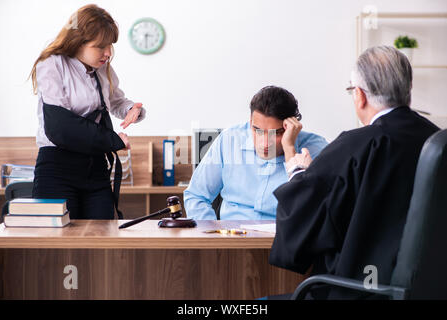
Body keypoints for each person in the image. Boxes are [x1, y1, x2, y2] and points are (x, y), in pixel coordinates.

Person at [269, 46, 439, 299]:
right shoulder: (438, 141)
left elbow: (305, 218)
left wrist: (297, 170)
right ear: (407, 90)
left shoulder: (355, 145)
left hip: (361, 291)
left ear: (359, 95)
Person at [29, 4, 146, 219]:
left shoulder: (104, 69)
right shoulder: (53, 65)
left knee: (102, 238)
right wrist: (112, 140)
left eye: (110, 45)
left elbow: (116, 100)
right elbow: (61, 127)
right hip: (58, 168)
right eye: (100, 46)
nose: (108, 53)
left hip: (96, 168)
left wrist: (132, 110)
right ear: (78, 42)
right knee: (58, 244)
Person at [184, 86, 328, 220]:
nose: (264, 143)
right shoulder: (229, 140)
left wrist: (289, 150)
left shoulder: (315, 149)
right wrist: (214, 237)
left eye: (276, 133)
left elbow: (312, 211)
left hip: (285, 242)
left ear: (291, 126)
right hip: (232, 240)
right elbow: (196, 196)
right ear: (250, 121)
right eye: (257, 130)